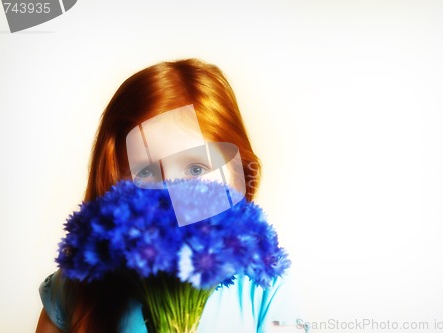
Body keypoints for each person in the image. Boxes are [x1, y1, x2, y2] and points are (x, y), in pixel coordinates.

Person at [36, 58, 296, 333]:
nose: (172, 192)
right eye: (146, 172)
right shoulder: (74, 290)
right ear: (113, 183)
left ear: (239, 172)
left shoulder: (265, 291)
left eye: (196, 168)